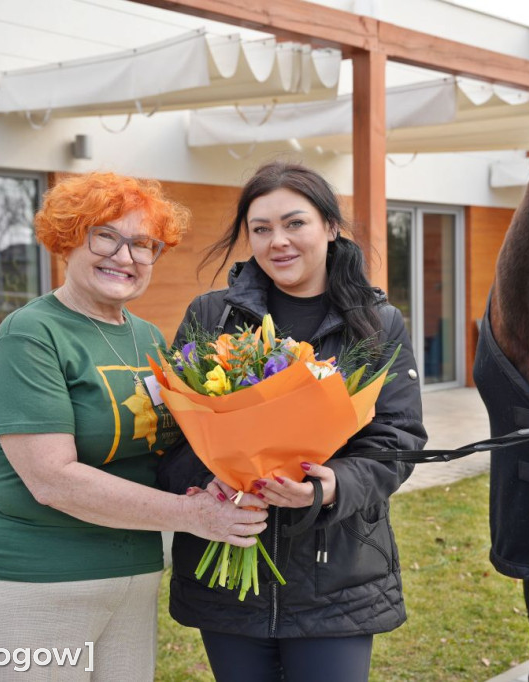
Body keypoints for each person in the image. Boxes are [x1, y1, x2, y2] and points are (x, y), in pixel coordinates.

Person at [0, 173, 268, 681]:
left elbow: (163, 452)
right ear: (68, 240)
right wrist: (194, 515)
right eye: (105, 236)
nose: (124, 256)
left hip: (131, 577)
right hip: (32, 583)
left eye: (143, 244)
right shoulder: (31, 334)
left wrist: (228, 478)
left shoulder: (148, 338)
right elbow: (52, 479)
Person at [159, 161, 427, 682]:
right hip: (229, 573)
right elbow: (171, 432)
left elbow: (399, 440)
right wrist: (211, 480)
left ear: (329, 226)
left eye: (294, 223)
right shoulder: (211, 316)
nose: (277, 241)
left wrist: (329, 488)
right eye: (261, 229)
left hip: (337, 574)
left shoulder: (376, 323)